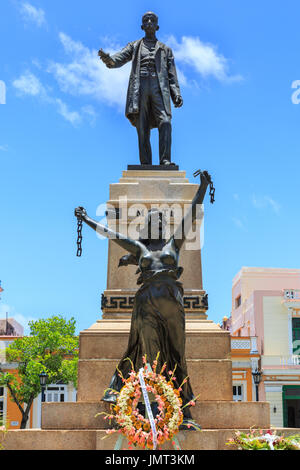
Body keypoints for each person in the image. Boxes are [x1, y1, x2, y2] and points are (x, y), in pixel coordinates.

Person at [75, 170, 212, 425]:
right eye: (153, 222)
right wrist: (86, 220)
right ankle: (143, 406)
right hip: (147, 306)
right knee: (150, 356)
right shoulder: (140, 250)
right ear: (147, 227)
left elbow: (192, 213)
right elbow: (112, 235)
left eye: (161, 221)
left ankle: (183, 410)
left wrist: (202, 187)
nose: (158, 224)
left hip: (173, 306)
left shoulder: (174, 244)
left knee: (176, 356)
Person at [98, 11, 183, 166]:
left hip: (159, 88)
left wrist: (176, 93)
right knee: (142, 126)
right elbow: (120, 57)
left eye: (152, 20)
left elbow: (172, 75)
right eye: (146, 20)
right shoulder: (135, 45)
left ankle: (165, 160)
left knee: (165, 122)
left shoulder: (165, 49)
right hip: (140, 87)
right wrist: (109, 60)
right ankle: (146, 164)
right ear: (142, 26)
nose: (149, 21)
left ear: (157, 26)